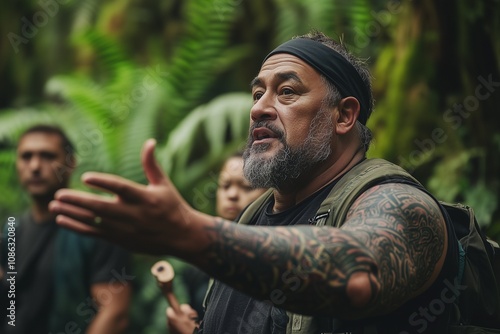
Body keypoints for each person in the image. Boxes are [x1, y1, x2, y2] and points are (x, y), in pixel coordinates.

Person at [48, 30, 461, 333]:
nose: (259, 109)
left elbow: (355, 272)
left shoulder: (398, 204)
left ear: (343, 116)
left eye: (286, 92)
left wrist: (190, 233)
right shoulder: (252, 217)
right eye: (257, 93)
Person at [0, 125, 133, 334]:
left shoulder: (94, 227)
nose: (35, 166)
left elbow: (114, 314)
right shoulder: (11, 230)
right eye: (26, 156)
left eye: (47, 156)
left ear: (70, 163)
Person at [167, 152, 267, 334]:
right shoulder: (199, 263)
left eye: (247, 187)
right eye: (225, 185)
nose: (232, 195)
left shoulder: (272, 260)